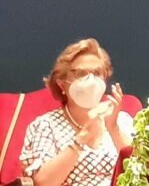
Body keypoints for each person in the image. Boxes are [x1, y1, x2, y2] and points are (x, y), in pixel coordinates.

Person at [19, 39, 132, 186]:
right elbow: (43, 183)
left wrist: (114, 129)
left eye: (97, 73)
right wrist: (81, 140)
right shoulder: (46, 125)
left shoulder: (121, 120)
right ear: (62, 83)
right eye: (81, 73)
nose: (91, 80)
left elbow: (144, 171)